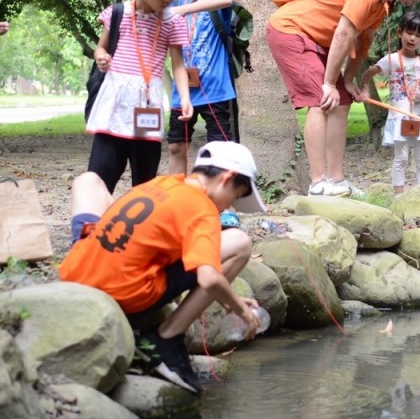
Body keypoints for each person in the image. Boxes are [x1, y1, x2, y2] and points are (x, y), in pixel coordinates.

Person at [59, 141, 267, 393]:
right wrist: (241, 312)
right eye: (234, 197)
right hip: (122, 292)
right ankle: (168, 338)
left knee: (90, 180)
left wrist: (228, 298)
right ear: (227, 177)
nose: (228, 207)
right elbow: (209, 279)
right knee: (240, 242)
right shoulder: (204, 210)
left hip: (75, 273)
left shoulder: (161, 183)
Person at [267, 0, 420, 196]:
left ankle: (336, 180)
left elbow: (363, 41)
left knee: (342, 101)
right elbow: (344, 33)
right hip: (291, 32)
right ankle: (318, 184)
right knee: (321, 100)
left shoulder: (383, 4)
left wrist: (348, 80)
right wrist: (328, 83)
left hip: (316, 40)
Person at [87, 0, 193, 193]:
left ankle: (140, 226)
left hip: (148, 104)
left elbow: (178, 64)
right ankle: (93, 224)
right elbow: (100, 48)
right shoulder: (118, 13)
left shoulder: (172, 21)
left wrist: (184, 98)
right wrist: (102, 57)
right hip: (116, 102)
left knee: (144, 177)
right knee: (101, 173)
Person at [167, 0, 238, 176]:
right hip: (182, 89)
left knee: (219, 148)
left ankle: (224, 208)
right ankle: (176, 199)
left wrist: (185, 9)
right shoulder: (176, 0)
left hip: (215, 87)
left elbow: (226, 0)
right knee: (177, 145)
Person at [360, 11, 420, 194]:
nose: (412, 38)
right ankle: (399, 197)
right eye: (409, 33)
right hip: (399, 118)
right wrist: (365, 90)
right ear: (400, 32)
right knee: (401, 159)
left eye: (418, 35)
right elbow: (367, 74)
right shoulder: (391, 60)